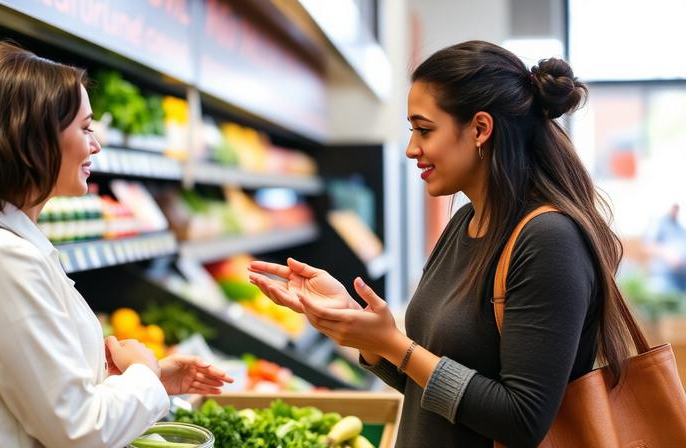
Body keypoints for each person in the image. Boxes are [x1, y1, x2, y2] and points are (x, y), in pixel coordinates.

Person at [249, 40, 639, 447]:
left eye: (425, 129)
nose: (411, 148)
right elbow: (430, 386)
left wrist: (393, 343)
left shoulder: (548, 240)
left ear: (480, 129)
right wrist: (357, 323)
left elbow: (522, 419)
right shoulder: (465, 224)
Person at [0, 42, 232, 447]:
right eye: (85, 128)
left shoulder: (4, 248)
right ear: (34, 138)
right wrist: (143, 376)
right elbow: (78, 431)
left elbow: (39, 402)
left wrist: (140, 380)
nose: (95, 144)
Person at [644, 203, 686, 294]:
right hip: (664, 277)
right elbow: (648, 246)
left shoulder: (680, 227)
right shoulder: (658, 223)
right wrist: (666, 253)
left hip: (682, 277)